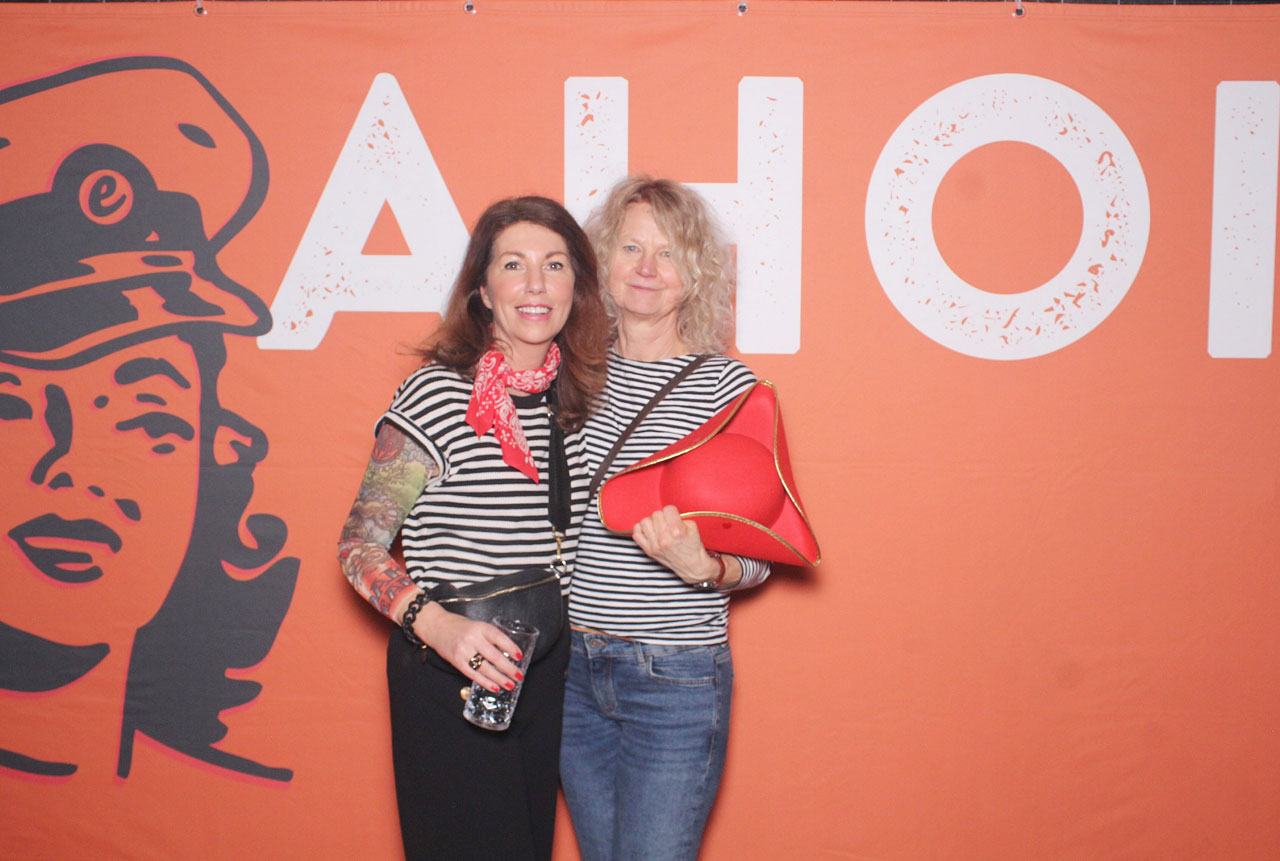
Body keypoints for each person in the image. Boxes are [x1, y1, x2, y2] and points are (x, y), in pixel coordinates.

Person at [0, 58, 296, 782]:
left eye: (147, 416)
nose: (67, 468)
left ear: (217, 451)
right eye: (11, 406)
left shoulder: (235, 810)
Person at [337, 195, 609, 860]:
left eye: (554, 265)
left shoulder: (574, 402)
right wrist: (440, 627)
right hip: (449, 669)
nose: (536, 284)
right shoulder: (435, 394)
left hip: (542, 675)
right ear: (484, 291)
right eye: (513, 265)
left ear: (576, 286)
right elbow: (358, 546)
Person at [560, 176, 772, 860]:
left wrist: (705, 566)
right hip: (571, 670)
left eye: (669, 252)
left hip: (673, 676)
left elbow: (765, 547)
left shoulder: (727, 388)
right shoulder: (570, 375)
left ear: (696, 274)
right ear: (603, 262)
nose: (647, 267)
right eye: (631, 248)